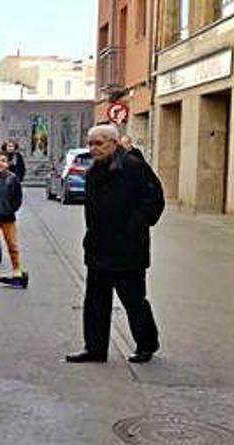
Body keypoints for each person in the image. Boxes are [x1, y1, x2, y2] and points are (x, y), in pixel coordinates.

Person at [66, 125, 165, 364]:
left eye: (99, 143)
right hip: (99, 247)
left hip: (128, 250)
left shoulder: (134, 168)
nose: (93, 149)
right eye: (90, 144)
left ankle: (146, 344)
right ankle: (95, 348)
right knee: (95, 302)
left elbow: (154, 201)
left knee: (133, 300)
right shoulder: (93, 172)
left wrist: (135, 226)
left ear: (114, 143)